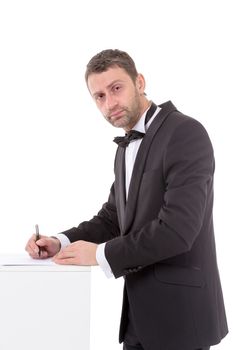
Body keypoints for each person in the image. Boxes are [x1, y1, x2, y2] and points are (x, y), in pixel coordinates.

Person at [25, 49, 228, 350]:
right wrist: (60, 241)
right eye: (100, 96)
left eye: (116, 88)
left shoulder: (185, 133)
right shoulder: (124, 147)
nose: (110, 103)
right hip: (138, 319)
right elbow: (113, 217)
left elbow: (178, 230)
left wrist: (99, 254)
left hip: (180, 320)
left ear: (140, 82)